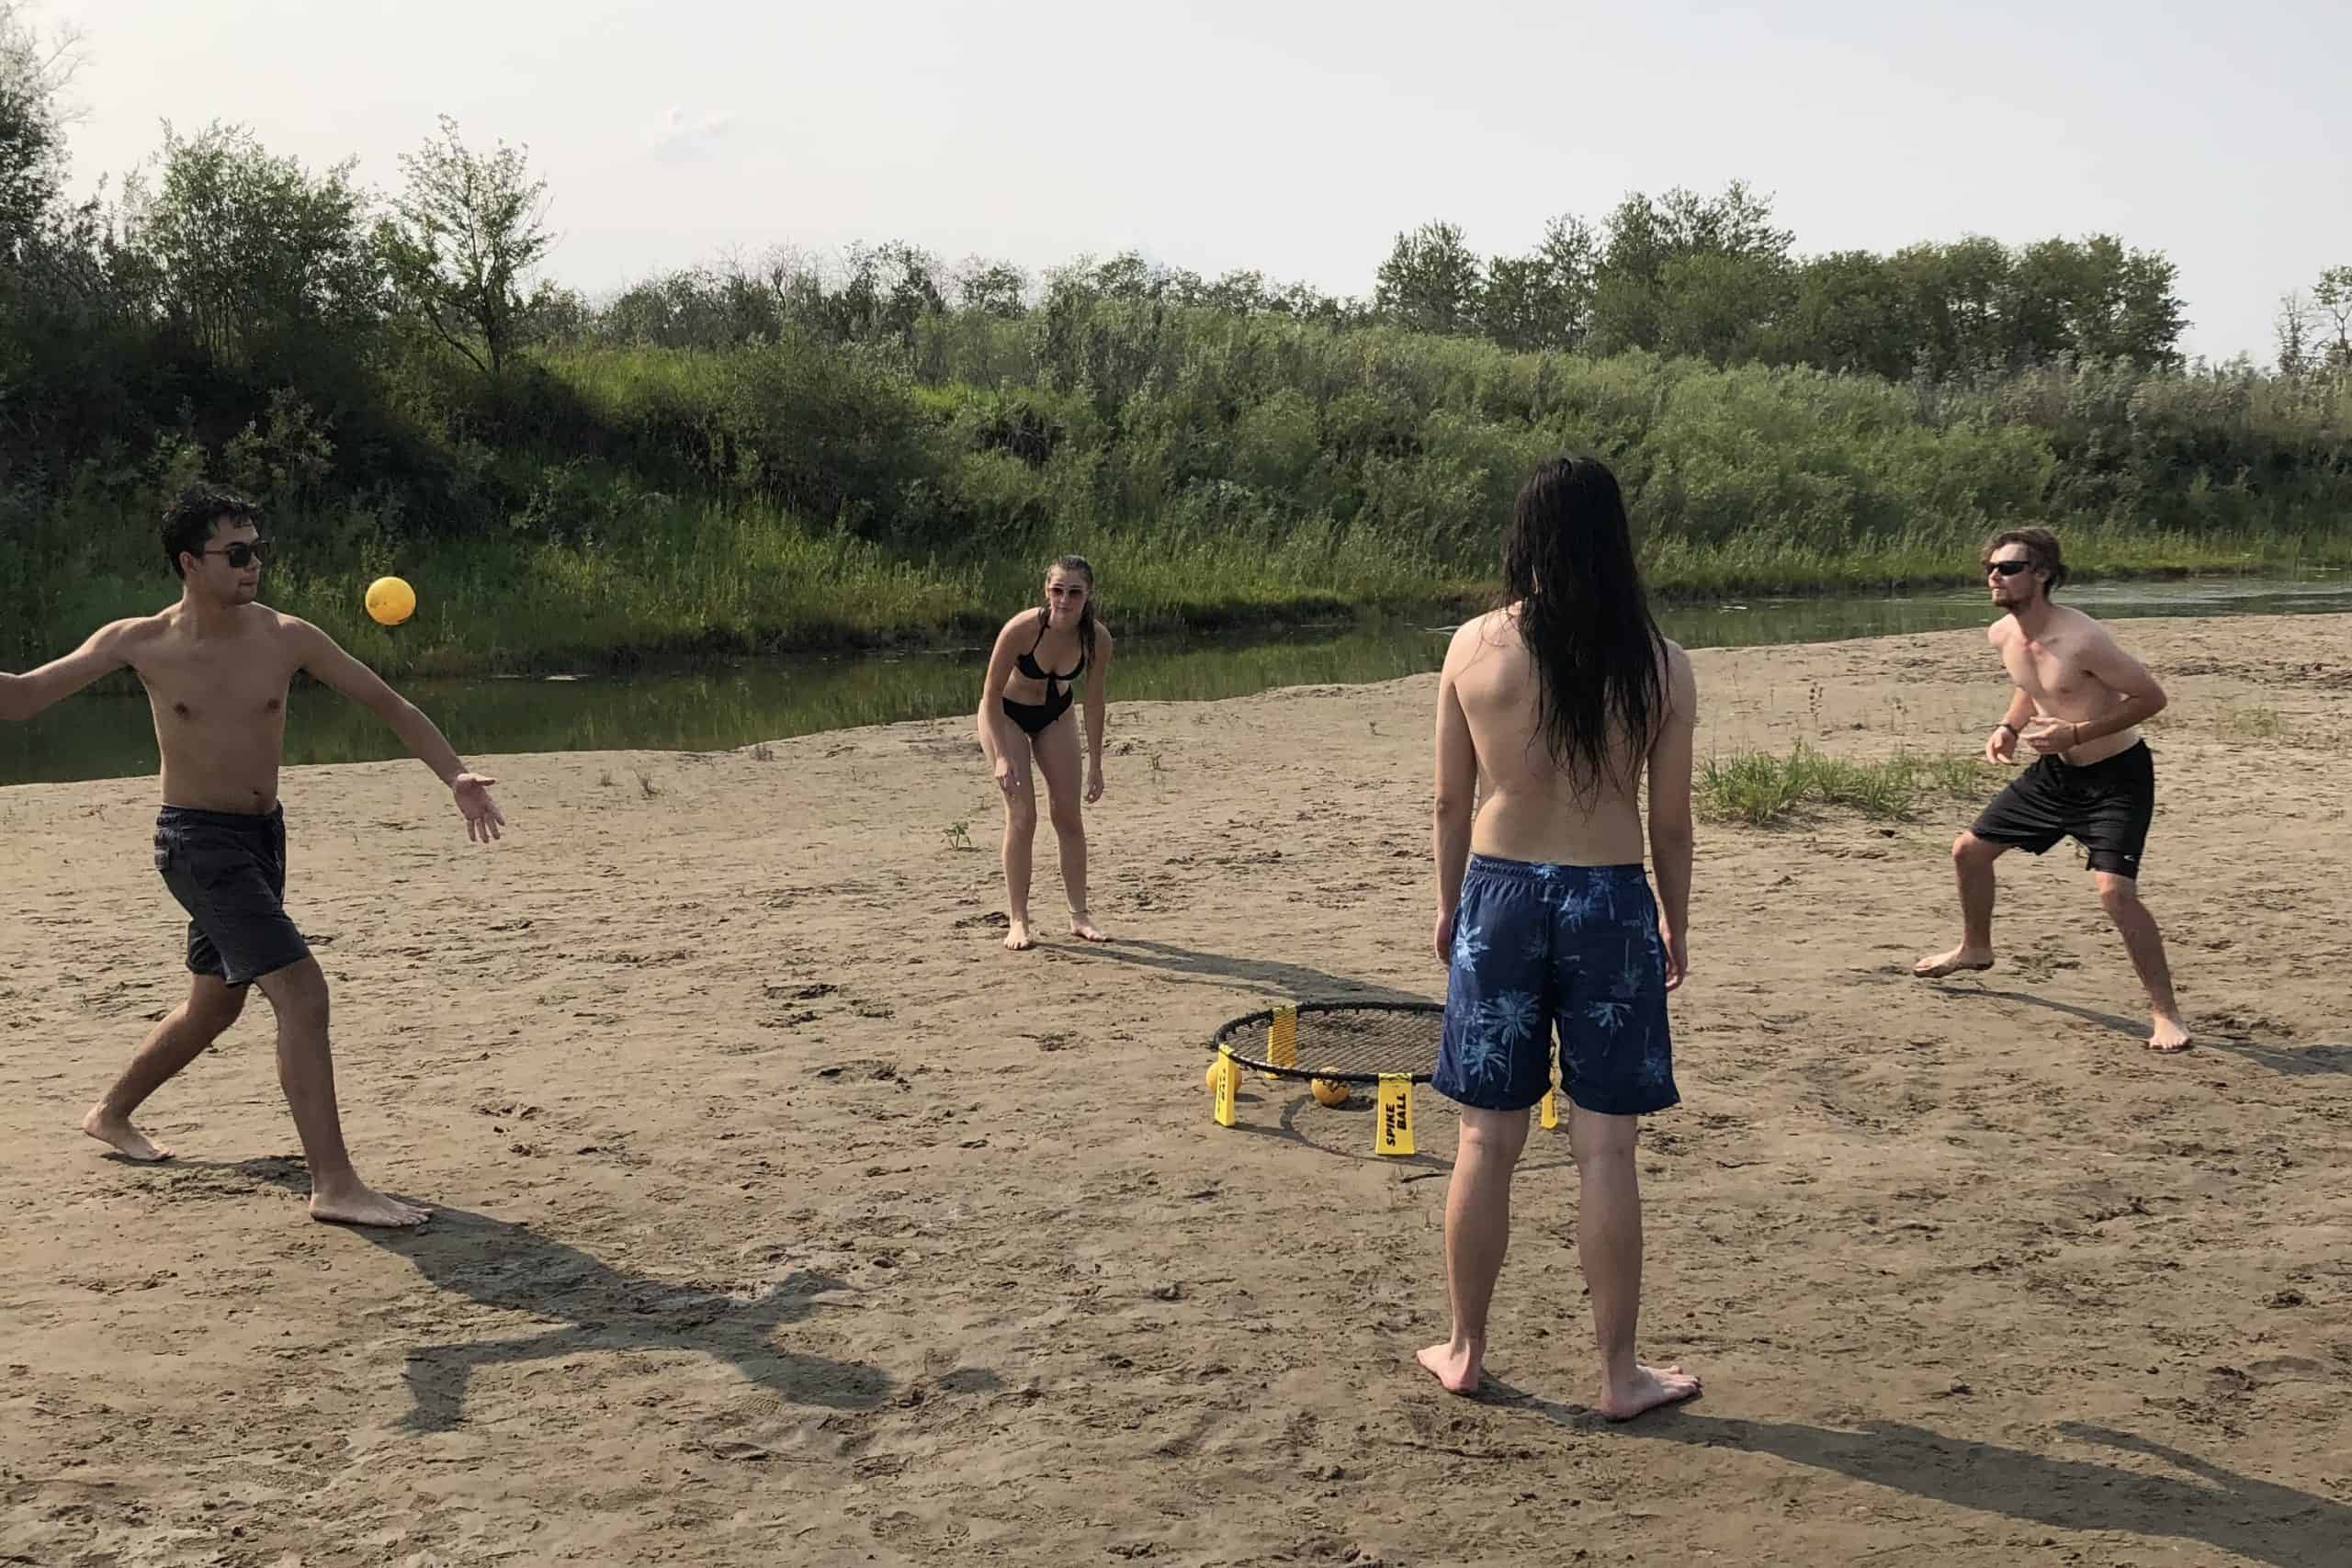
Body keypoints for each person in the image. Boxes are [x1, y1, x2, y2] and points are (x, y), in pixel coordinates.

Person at [0, 484, 507, 1227]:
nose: (253, 565)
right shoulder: (138, 641)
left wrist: (455, 772)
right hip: (196, 844)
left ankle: (109, 1112)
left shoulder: (286, 637)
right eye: (236, 553)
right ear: (188, 562)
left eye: (257, 549)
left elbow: (387, 703)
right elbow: (18, 697)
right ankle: (334, 1184)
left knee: (215, 1002)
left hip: (261, 839)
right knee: (301, 992)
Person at [1418, 455, 1702, 1421]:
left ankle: (1463, 1349)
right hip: (1610, 899)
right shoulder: (1659, 661)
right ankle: (1619, 1374)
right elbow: (1670, 821)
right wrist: (1676, 914)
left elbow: (1452, 798)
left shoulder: (1473, 647)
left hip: (1500, 895)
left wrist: (1451, 903)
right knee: (1605, 1150)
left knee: (1482, 1140)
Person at [1914, 527, 2188, 1052]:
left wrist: (2078, 733)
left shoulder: (2082, 639)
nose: (1996, 576)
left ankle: (2165, 1013)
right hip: (2056, 774)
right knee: (1969, 852)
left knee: (2115, 893)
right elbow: (2031, 686)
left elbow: (2152, 697)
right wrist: (2009, 727)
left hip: (2116, 774)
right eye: (1991, 568)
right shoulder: (2002, 635)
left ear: (2041, 574)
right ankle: (1975, 948)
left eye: (2009, 568)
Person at [975, 555, 1114, 952]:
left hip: (1056, 714)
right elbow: (989, 694)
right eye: (1057, 590)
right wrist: (1002, 755)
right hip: (1006, 715)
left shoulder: (1097, 639)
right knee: (1023, 814)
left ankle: (1079, 915)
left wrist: (1097, 766)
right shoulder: (1022, 629)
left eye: (1074, 592)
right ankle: (1018, 920)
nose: (1065, 600)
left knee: (1068, 814)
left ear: (1088, 596)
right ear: (1046, 591)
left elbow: (1095, 702)